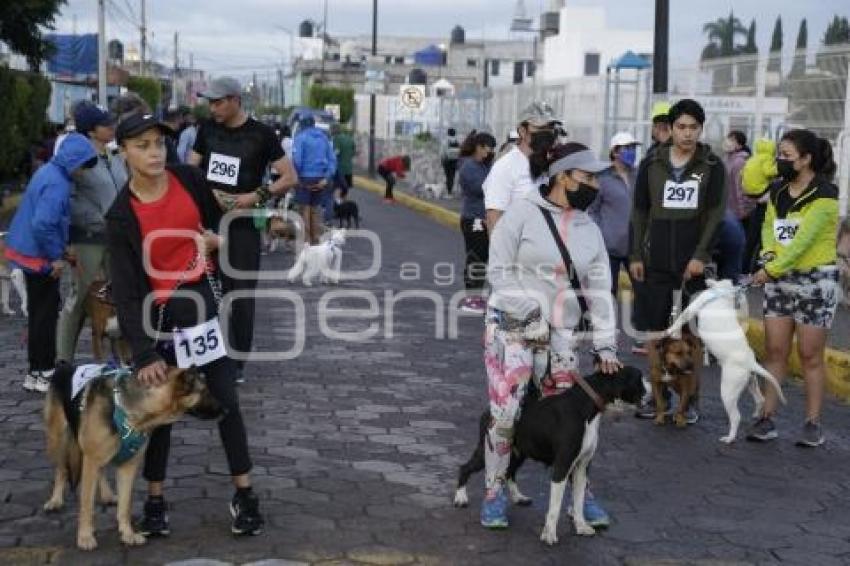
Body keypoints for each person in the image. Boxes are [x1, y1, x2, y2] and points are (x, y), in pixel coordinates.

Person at [106, 112, 264, 537]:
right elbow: (124, 291)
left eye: (159, 143)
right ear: (123, 152)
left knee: (226, 399)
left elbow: (220, 224)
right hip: (157, 321)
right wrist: (143, 353)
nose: (155, 153)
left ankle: (244, 494)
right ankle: (155, 501)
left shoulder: (188, 181)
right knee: (160, 415)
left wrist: (217, 242)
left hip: (201, 309)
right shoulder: (121, 215)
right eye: (143, 145)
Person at [482, 142, 620, 529]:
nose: (594, 185)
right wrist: (529, 312)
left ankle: (581, 493)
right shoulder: (521, 214)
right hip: (511, 324)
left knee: (575, 417)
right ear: (563, 176)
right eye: (587, 177)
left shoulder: (589, 228)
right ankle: (494, 490)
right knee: (507, 410)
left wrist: (606, 344)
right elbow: (499, 271)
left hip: (562, 333)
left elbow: (600, 290)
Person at [189, 77, 298, 382]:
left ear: (236, 100)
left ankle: (236, 364)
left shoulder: (261, 134)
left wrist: (255, 197)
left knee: (240, 295)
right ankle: (203, 356)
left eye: (218, 102)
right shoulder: (206, 130)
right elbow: (189, 169)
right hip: (206, 221)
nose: (213, 108)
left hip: (244, 224)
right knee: (202, 291)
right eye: (209, 103)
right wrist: (208, 193)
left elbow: (289, 177)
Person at [629, 99, 727, 423]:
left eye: (693, 128)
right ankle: (658, 395)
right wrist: (636, 254)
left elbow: (715, 215)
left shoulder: (712, 165)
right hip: (656, 257)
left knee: (690, 335)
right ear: (669, 129)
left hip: (692, 260)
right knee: (657, 333)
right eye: (681, 127)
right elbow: (640, 210)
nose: (687, 134)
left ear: (701, 129)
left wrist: (701, 255)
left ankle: (690, 399)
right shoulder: (652, 162)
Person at [747, 129, 840, 447]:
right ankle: (766, 417)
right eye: (779, 155)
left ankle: (813, 423)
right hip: (778, 280)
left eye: (786, 156)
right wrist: (769, 256)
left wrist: (770, 268)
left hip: (815, 282)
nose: (780, 161)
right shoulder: (776, 191)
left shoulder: (826, 195)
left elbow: (804, 242)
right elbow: (769, 228)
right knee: (775, 351)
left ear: (806, 159)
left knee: (810, 354)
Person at [5, 133, 97, 392]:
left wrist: (61, 251)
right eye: (82, 165)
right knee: (45, 316)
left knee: (37, 315)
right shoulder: (58, 183)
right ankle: (45, 371)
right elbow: (44, 224)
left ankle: (35, 372)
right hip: (38, 256)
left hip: (27, 251)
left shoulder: (48, 172)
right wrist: (56, 257)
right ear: (74, 161)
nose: (82, 172)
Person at [55, 101, 128, 364]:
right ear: (90, 130)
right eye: (105, 124)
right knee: (79, 299)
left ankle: (121, 360)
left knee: (118, 295)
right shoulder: (77, 158)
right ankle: (63, 361)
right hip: (88, 239)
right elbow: (68, 200)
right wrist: (98, 220)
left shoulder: (114, 156)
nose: (111, 127)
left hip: (117, 239)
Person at [483, 101, 560, 232]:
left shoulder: (551, 163)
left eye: (551, 128)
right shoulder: (505, 167)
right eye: (540, 128)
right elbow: (494, 219)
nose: (547, 133)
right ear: (522, 131)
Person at [589, 131, 640, 297]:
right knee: (608, 292)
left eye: (633, 148)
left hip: (635, 247)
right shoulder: (602, 178)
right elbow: (593, 211)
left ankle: (640, 323)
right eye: (627, 148)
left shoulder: (638, 176)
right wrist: (602, 234)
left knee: (642, 291)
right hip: (609, 248)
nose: (632, 152)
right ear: (615, 152)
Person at [457, 131, 497, 314]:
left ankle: (476, 296)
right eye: (487, 150)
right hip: (474, 219)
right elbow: (482, 188)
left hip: (483, 218)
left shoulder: (482, 165)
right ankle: (471, 298)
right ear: (478, 146)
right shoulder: (468, 166)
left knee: (482, 258)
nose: (489, 153)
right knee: (476, 258)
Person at [291, 114, 337, 245]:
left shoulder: (300, 138)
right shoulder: (324, 138)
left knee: (304, 210)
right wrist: (326, 178)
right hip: (320, 179)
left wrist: (296, 177)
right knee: (316, 210)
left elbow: (297, 161)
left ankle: (306, 242)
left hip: (304, 179)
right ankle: (316, 240)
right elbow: (332, 160)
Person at [332, 125, 356, 190]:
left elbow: (336, 152)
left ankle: (336, 200)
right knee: (346, 188)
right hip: (349, 169)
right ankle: (342, 199)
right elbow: (353, 153)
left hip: (339, 168)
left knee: (335, 187)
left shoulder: (337, 138)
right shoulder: (351, 139)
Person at [441, 127, 461, 195]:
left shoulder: (445, 140)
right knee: (452, 176)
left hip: (447, 160)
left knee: (447, 175)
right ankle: (450, 190)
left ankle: (449, 190)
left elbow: (442, 152)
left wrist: (442, 160)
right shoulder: (457, 141)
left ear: (448, 133)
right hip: (455, 160)